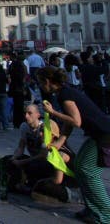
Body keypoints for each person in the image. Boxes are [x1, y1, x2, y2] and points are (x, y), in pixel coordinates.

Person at [37, 66, 110, 223]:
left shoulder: (65, 94)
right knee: (78, 165)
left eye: (41, 83)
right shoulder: (65, 92)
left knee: (88, 170)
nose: (41, 87)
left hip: (104, 135)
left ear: (48, 81)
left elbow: (76, 121)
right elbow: (68, 123)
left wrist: (53, 112)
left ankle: (106, 214)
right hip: (98, 134)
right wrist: (60, 141)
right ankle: (91, 209)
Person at [6, 103, 70, 195]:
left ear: (38, 115)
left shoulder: (45, 128)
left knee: (36, 174)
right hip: (36, 160)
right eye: (25, 113)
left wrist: (22, 162)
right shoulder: (24, 127)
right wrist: (14, 157)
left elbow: (43, 155)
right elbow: (21, 147)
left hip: (48, 161)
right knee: (10, 163)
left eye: (29, 113)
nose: (26, 116)